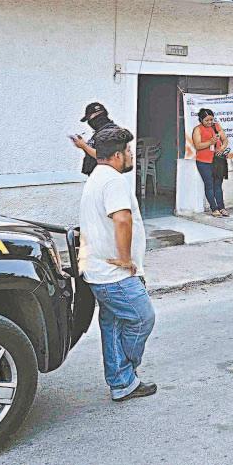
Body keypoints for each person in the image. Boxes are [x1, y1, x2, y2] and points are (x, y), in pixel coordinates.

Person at [78, 126, 157, 402]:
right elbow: (122, 219)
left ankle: (121, 383)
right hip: (115, 274)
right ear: (117, 155)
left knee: (112, 325)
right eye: (129, 151)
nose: (132, 155)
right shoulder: (113, 181)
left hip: (97, 270)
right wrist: (125, 259)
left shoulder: (97, 175)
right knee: (142, 318)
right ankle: (126, 371)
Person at [191, 108, 231, 217]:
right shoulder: (197, 129)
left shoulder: (216, 126)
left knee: (218, 185)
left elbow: (225, 140)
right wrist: (210, 142)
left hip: (218, 160)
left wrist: (221, 148)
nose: (209, 122)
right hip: (204, 162)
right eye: (207, 120)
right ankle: (214, 209)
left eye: (211, 119)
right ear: (201, 120)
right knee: (209, 185)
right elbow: (198, 146)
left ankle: (222, 208)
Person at [71, 101, 120, 177]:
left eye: (89, 118)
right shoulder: (102, 132)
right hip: (98, 176)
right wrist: (82, 144)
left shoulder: (109, 131)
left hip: (104, 177)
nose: (89, 122)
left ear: (96, 115)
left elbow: (105, 156)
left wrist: (84, 146)